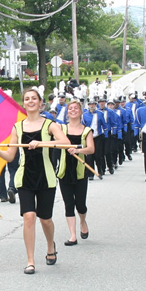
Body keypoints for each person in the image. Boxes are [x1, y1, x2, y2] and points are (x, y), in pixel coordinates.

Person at [0, 88, 70, 274]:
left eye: (34, 98)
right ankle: (30, 260)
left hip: (46, 178)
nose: (30, 101)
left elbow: (65, 142)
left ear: (41, 103)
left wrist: (42, 143)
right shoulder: (18, 127)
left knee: (45, 219)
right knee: (29, 217)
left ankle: (50, 246)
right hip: (25, 178)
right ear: (23, 104)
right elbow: (9, 156)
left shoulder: (50, 125)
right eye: (27, 99)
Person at [57, 100, 95, 246]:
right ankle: (73, 235)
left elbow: (91, 149)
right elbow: (55, 142)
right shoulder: (62, 128)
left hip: (80, 171)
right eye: (70, 108)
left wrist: (78, 150)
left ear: (80, 112)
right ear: (67, 112)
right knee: (68, 204)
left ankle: (83, 221)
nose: (73, 110)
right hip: (65, 171)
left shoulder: (87, 131)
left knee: (80, 204)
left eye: (75, 108)